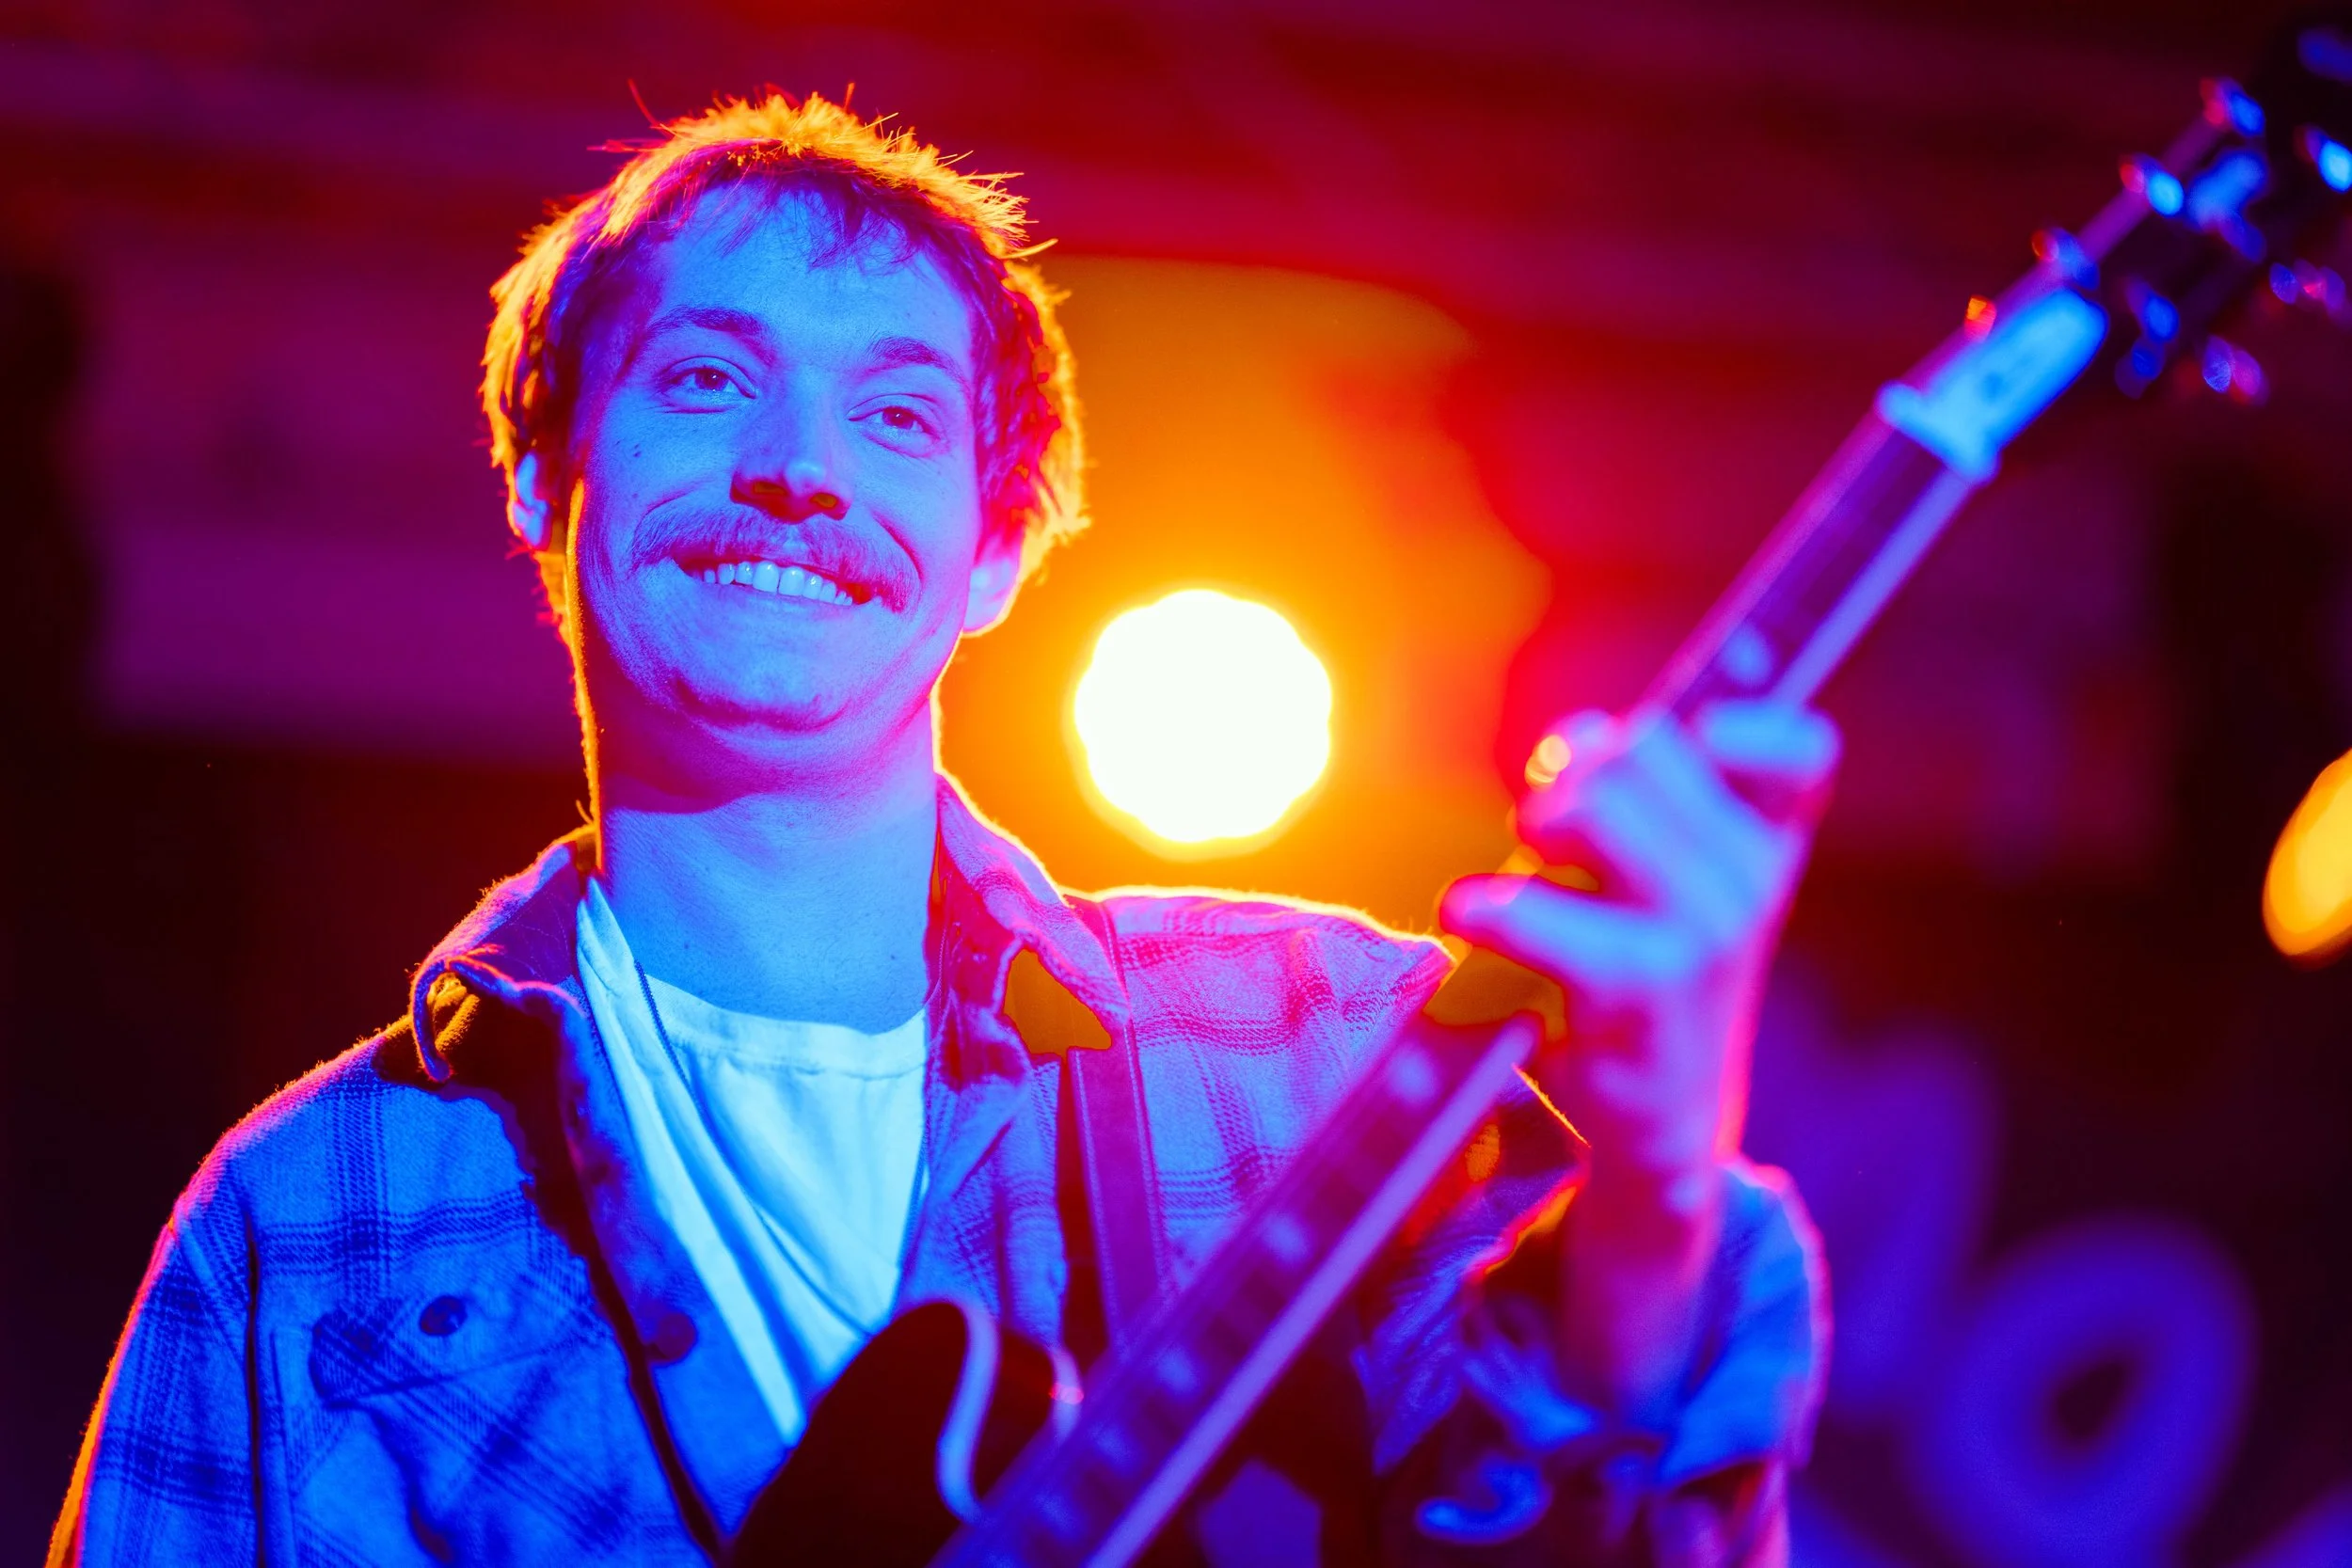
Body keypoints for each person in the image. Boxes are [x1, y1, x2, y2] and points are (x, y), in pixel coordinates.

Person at [49, 96, 1836, 1566]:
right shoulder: (302, 1217)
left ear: (992, 557)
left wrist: (1661, 1185)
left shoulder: (1322, 1059)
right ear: (543, 471)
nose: (799, 465)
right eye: (702, 380)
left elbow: (1597, 1535)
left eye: (897, 414)